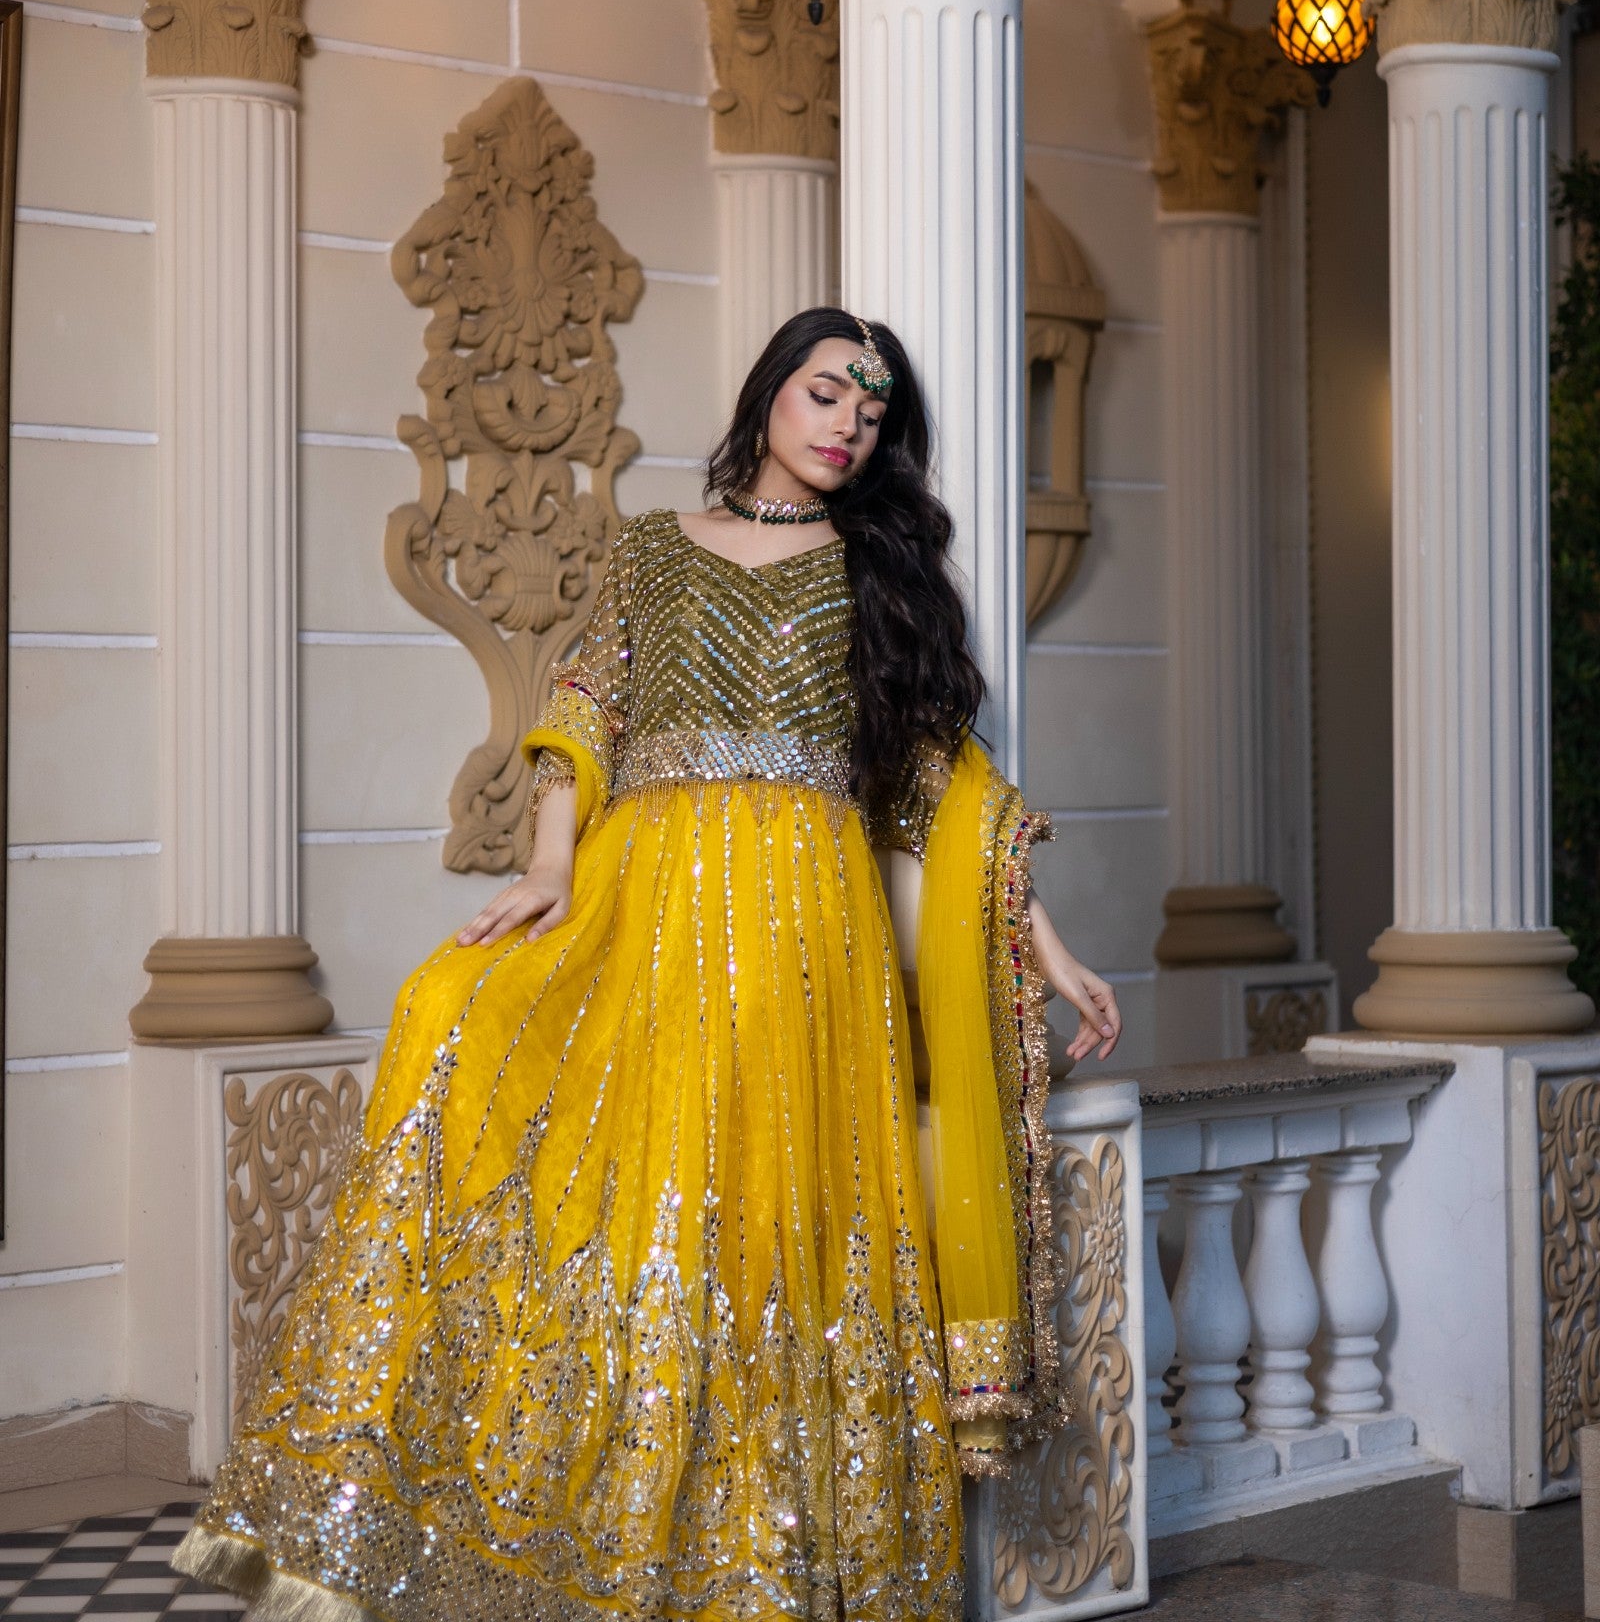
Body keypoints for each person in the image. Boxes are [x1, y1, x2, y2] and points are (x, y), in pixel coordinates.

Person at [174, 309, 1122, 1622]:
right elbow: (585, 707)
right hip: (655, 899)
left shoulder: (876, 572)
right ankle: (593, 1533)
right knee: (496, 1057)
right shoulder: (655, 552)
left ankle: (761, 1566)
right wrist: (552, 864)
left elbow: (935, 787)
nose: (847, 420)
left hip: (810, 933)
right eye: (824, 391)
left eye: (870, 406)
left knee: (774, 1230)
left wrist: (1050, 948)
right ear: (769, 395)